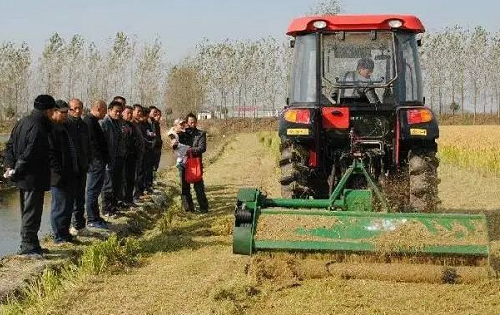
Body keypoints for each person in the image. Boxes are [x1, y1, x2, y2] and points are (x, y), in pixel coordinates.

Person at [4, 95, 56, 257]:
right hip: (32, 177)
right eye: (53, 111)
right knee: (31, 213)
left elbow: (10, 146)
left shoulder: (22, 122)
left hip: (24, 177)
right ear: (48, 111)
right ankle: (28, 246)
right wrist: (16, 169)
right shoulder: (38, 127)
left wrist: (9, 166)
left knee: (28, 211)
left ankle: (33, 244)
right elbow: (30, 153)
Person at [48, 100, 79, 244]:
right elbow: (51, 155)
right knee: (59, 206)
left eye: (67, 112)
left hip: (69, 173)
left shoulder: (65, 127)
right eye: (62, 112)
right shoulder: (51, 129)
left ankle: (65, 233)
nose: (66, 115)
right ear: (54, 112)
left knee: (68, 205)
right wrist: (59, 172)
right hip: (58, 176)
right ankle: (59, 237)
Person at [66, 98, 91, 235]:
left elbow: (88, 145)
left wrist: (88, 160)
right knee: (70, 198)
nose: (78, 111)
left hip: (82, 166)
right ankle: (69, 227)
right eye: (74, 108)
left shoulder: (83, 125)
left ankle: (79, 225)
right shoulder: (66, 125)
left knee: (80, 197)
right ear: (69, 110)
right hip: (70, 168)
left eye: (80, 108)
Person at [83, 100, 109, 229]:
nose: (106, 113)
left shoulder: (94, 122)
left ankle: (96, 216)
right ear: (99, 108)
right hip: (95, 162)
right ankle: (92, 219)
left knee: (96, 190)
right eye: (105, 110)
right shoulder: (88, 122)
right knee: (92, 191)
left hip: (99, 161)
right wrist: (97, 159)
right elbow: (92, 144)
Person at [100, 101, 126, 217]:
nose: (118, 113)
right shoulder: (104, 123)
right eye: (116, 111)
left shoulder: (118, 123)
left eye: (120, 112)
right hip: (107, 159)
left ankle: (113, 207)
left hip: (117, 158)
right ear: (109, 110)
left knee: (116, 183)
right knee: (107, 185)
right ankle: (106, 209)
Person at [180, 113, 209, 213]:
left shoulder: (201, 134)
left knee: (199, 186)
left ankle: (204, 207)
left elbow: (202, 148)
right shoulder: (182, 133)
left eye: (194, 122)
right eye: (190, 122)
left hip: (196, 163)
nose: (192, 124)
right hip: (184, 164)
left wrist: (189, 150)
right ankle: (189, 209)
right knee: (185, 187)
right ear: (187, 123)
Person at [121, 105, 138, 205]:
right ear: (123, 113)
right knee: (124, 180)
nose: (130, 115)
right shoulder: (121, 125)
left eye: (131, 113)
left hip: (132, 155)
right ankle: (123, 200)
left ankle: (129, 199)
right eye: (128, 113)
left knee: (131, 179)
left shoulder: (131, 125)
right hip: (124, 156)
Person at [132, 104, 146, 201]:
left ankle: (137, 194)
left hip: (139, 154)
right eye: (138, 111)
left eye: (141, 111)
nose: (140, 113)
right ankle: (134, 196)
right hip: (133, 154)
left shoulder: (138, 124)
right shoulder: (131, 124)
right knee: (133, 176)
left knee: (138, 174)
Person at [151, 108, 163, 180]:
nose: (158, 116)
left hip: (158, 148)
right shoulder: (152, 124)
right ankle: (151, 181)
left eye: (160, 115)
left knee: (156, 165)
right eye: (157, 115)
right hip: (153, 148)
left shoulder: (157, 124)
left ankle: (154, 180)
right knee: (152, 166)